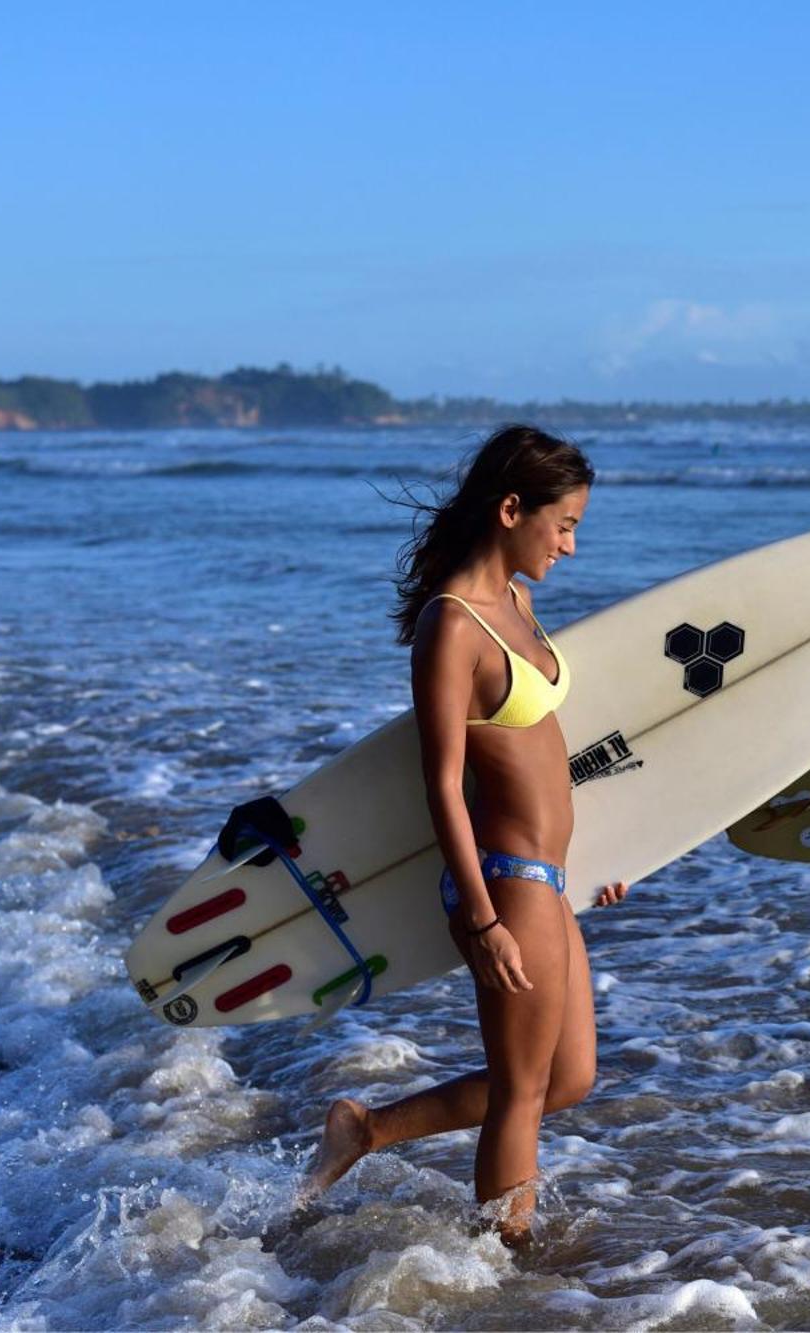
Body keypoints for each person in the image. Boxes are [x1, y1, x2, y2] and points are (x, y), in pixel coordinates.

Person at [302, 424, 626, 1243]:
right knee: (523, 1089)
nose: (572, 546)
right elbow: (442, 781)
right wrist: (480, 915)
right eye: (564, 525)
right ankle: (506, 1272)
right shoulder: (452, 625)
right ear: (512, 509)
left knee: (569, 1076)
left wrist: (604, 856)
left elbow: (547, 756)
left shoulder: (517, 600)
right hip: (505, 878)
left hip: (550, 876)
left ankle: (366, 1129)